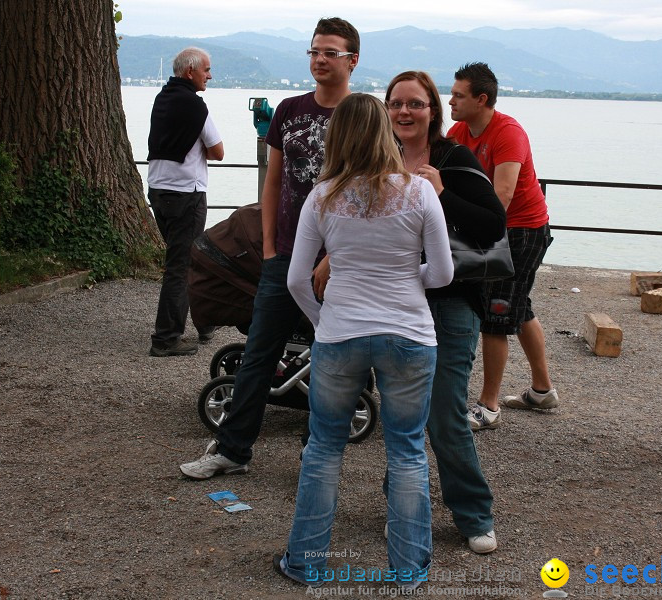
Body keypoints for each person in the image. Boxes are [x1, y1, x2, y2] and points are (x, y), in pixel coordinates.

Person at [276, 93, 453, 589]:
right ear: (385, 133)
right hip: (410, 334)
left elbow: (296, 280)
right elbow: (441, 274)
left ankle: (306, 563)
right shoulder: (420, 193)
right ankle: (408, 569)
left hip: (340, 334)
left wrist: (324, 320)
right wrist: (402, 276)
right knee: (407, 450)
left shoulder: (323, 195)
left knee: (324, 449)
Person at [179, 18, 360, 478]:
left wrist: (338, 257)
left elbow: (371, 192)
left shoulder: (364, 115)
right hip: (285, 255)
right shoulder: (289, 110)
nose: (320, 59)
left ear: (352, 60)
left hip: (340, 260)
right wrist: (269, 247)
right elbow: (274, 182)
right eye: (314, 51)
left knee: (333, 356)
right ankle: (232, 449)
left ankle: (315, 451)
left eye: (330, 52)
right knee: (261, 349)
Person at [384, 71, 506, 553]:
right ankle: (403, 512)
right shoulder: (379, 158)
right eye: (396, 104)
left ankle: (475, 513)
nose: (405, 113)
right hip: (392, 299)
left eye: (416, 104)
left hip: (452, 300)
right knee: (400, 412)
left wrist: (441, 193)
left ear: (432, 110)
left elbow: (493, 224)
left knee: (445, 412)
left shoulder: (454, 158)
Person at [446, 62, 557, 430]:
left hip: (521, 230)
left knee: (495, 316)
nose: (451, 101)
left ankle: (487, 406)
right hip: (496, 230)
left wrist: (472, 237)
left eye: (458, 95)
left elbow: (503, 196)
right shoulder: (459, 131)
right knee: (517, 306)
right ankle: (542, 391)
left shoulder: (508, 133)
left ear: (482, 99)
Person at [146, 47, 223, 357]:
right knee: (181, 266)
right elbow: (218, 151)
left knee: (185, 259)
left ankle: (204, 324)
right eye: (206, 69)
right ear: (190, 71)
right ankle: (165, 338)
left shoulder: (161, 98)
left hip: (157, 188)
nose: (210, 75)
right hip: (185, 194)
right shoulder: (196, 106)